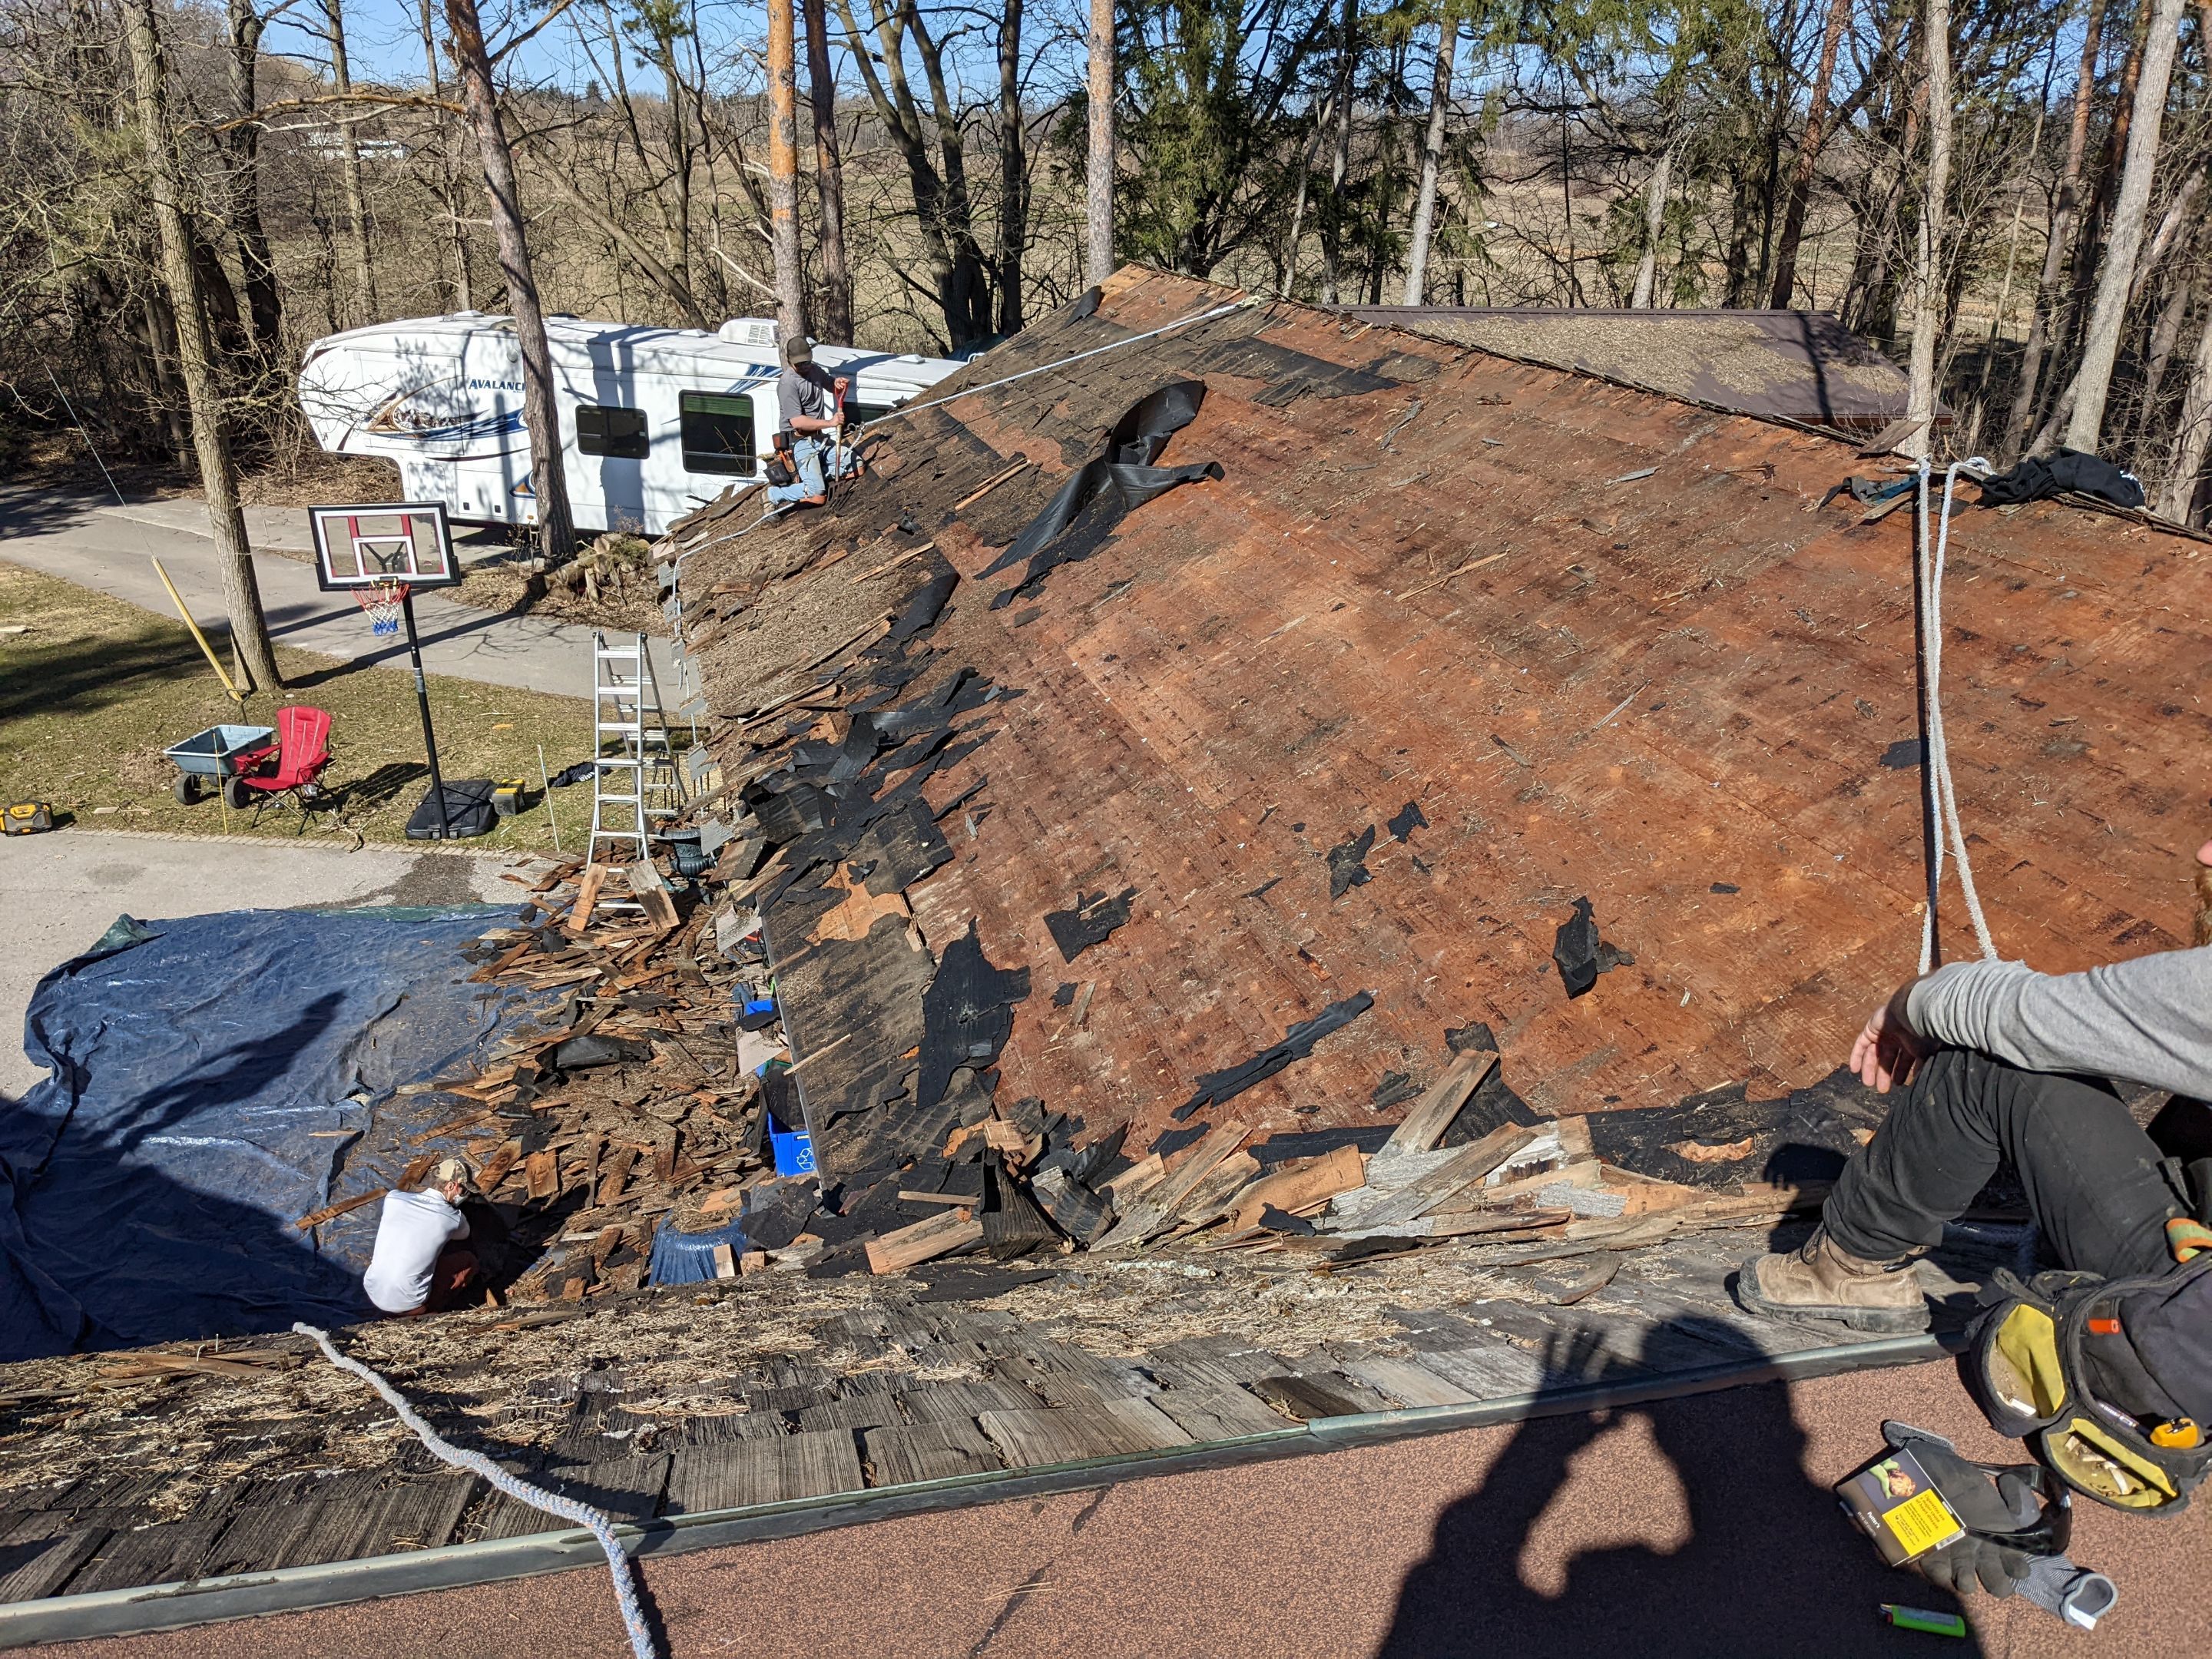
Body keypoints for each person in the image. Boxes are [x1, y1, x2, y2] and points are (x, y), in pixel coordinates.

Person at [363, 1157, 478, 1316]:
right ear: (451, 1186)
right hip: (411, 1303)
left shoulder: (394, 1198)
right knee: (468, 1260)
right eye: (463, 1190)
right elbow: (464, 1235)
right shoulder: (452, 1218)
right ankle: (435, 1308)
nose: (464, 1195)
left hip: (374, 1292)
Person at [770, 336, 865, 508]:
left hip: (819, 439)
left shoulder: (815, 370)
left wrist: (837, 383)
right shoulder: (787, 384)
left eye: (806, 362)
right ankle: (774, 495)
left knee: (856, 466)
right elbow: (798, 422)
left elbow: (831, 386)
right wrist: (830, 423)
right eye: (799, 364)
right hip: (799, 443)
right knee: (817, 495)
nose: (804, 366)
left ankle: (816, 477)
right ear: (790, 361)